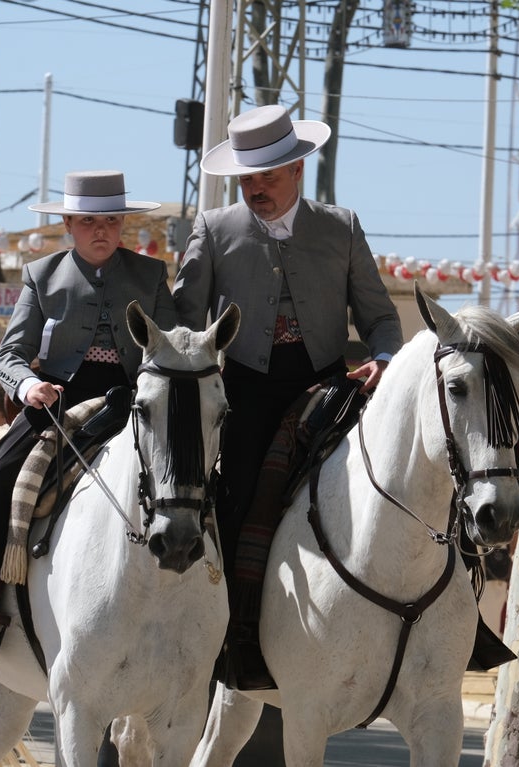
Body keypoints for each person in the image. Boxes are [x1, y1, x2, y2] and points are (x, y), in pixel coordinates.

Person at [173, 104, 403, 689]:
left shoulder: (341, 227)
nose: (256, 189)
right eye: (247, 179)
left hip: (329, 388)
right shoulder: (214, 229)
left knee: (392, 486)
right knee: (232, 499)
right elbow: (184, 324)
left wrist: (382, 360)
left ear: (298, 169)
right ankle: (231, 634)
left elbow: (380, 319)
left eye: (267, 177)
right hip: (243, 390)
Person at [0, 170, 174, 663]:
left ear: (124, 225)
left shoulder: (151, 275)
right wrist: (29, 386)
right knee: (0, 476)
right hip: (57, 401)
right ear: (68, 223)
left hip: (134, 400)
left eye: (110, 221)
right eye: (88, 221)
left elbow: (170, 347)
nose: (100, 230)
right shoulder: (41, 273)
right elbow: (11, 354)